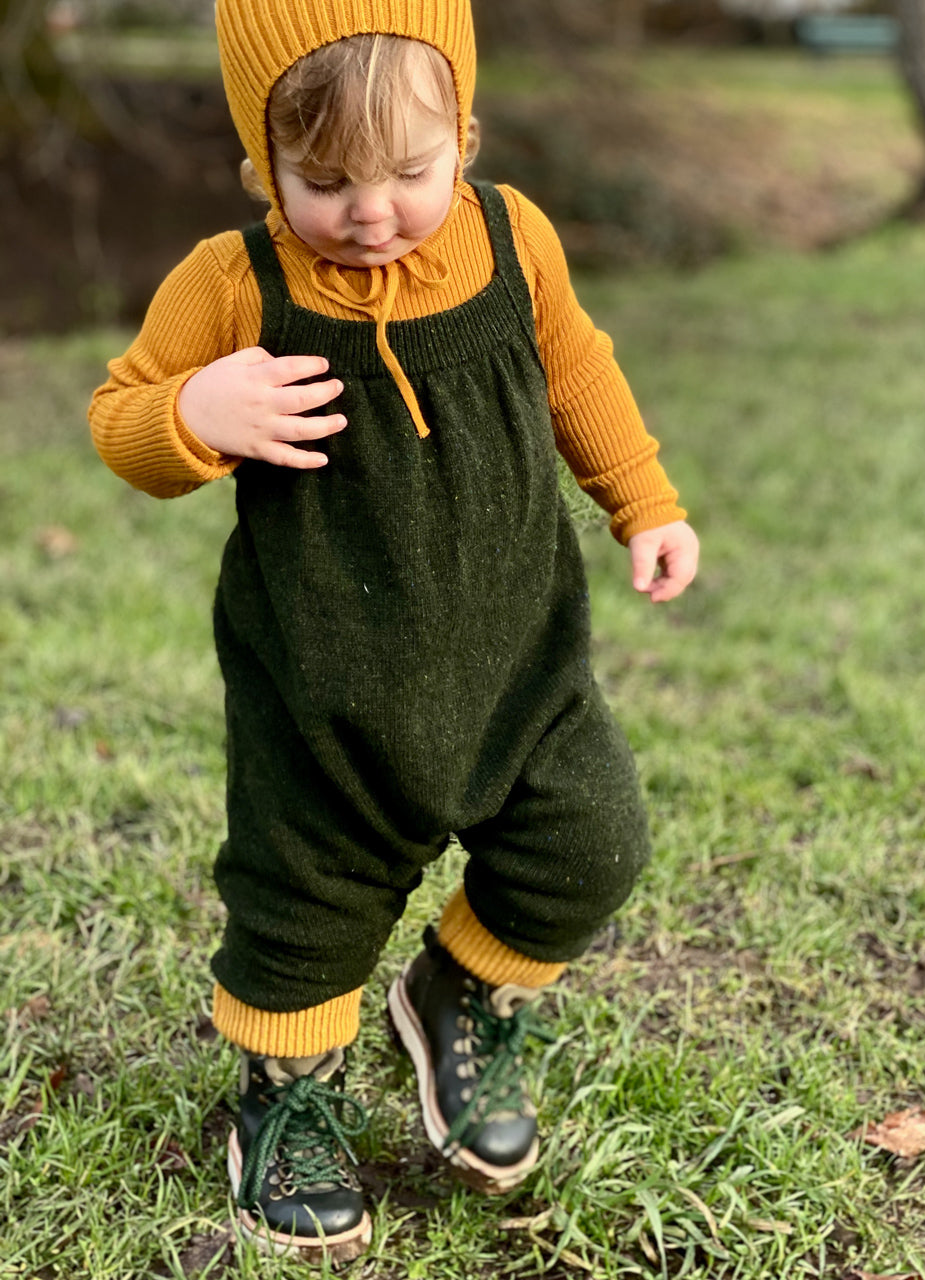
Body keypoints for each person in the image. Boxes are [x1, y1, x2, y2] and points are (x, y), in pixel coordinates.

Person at [88, 0, 699, 1263]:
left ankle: (460, 986)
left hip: (519, 663)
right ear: (262, 164)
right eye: (325, 181)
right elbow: (121, 417)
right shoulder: (234, 283)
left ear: (464, 133)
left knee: (592, 840)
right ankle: (284, 1100)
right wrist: (197, 406)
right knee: (301, 908)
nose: (372, 210)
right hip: (325, 689)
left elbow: (576, 365)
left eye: (411, 171)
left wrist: (641, 497)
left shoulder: (511, 238)